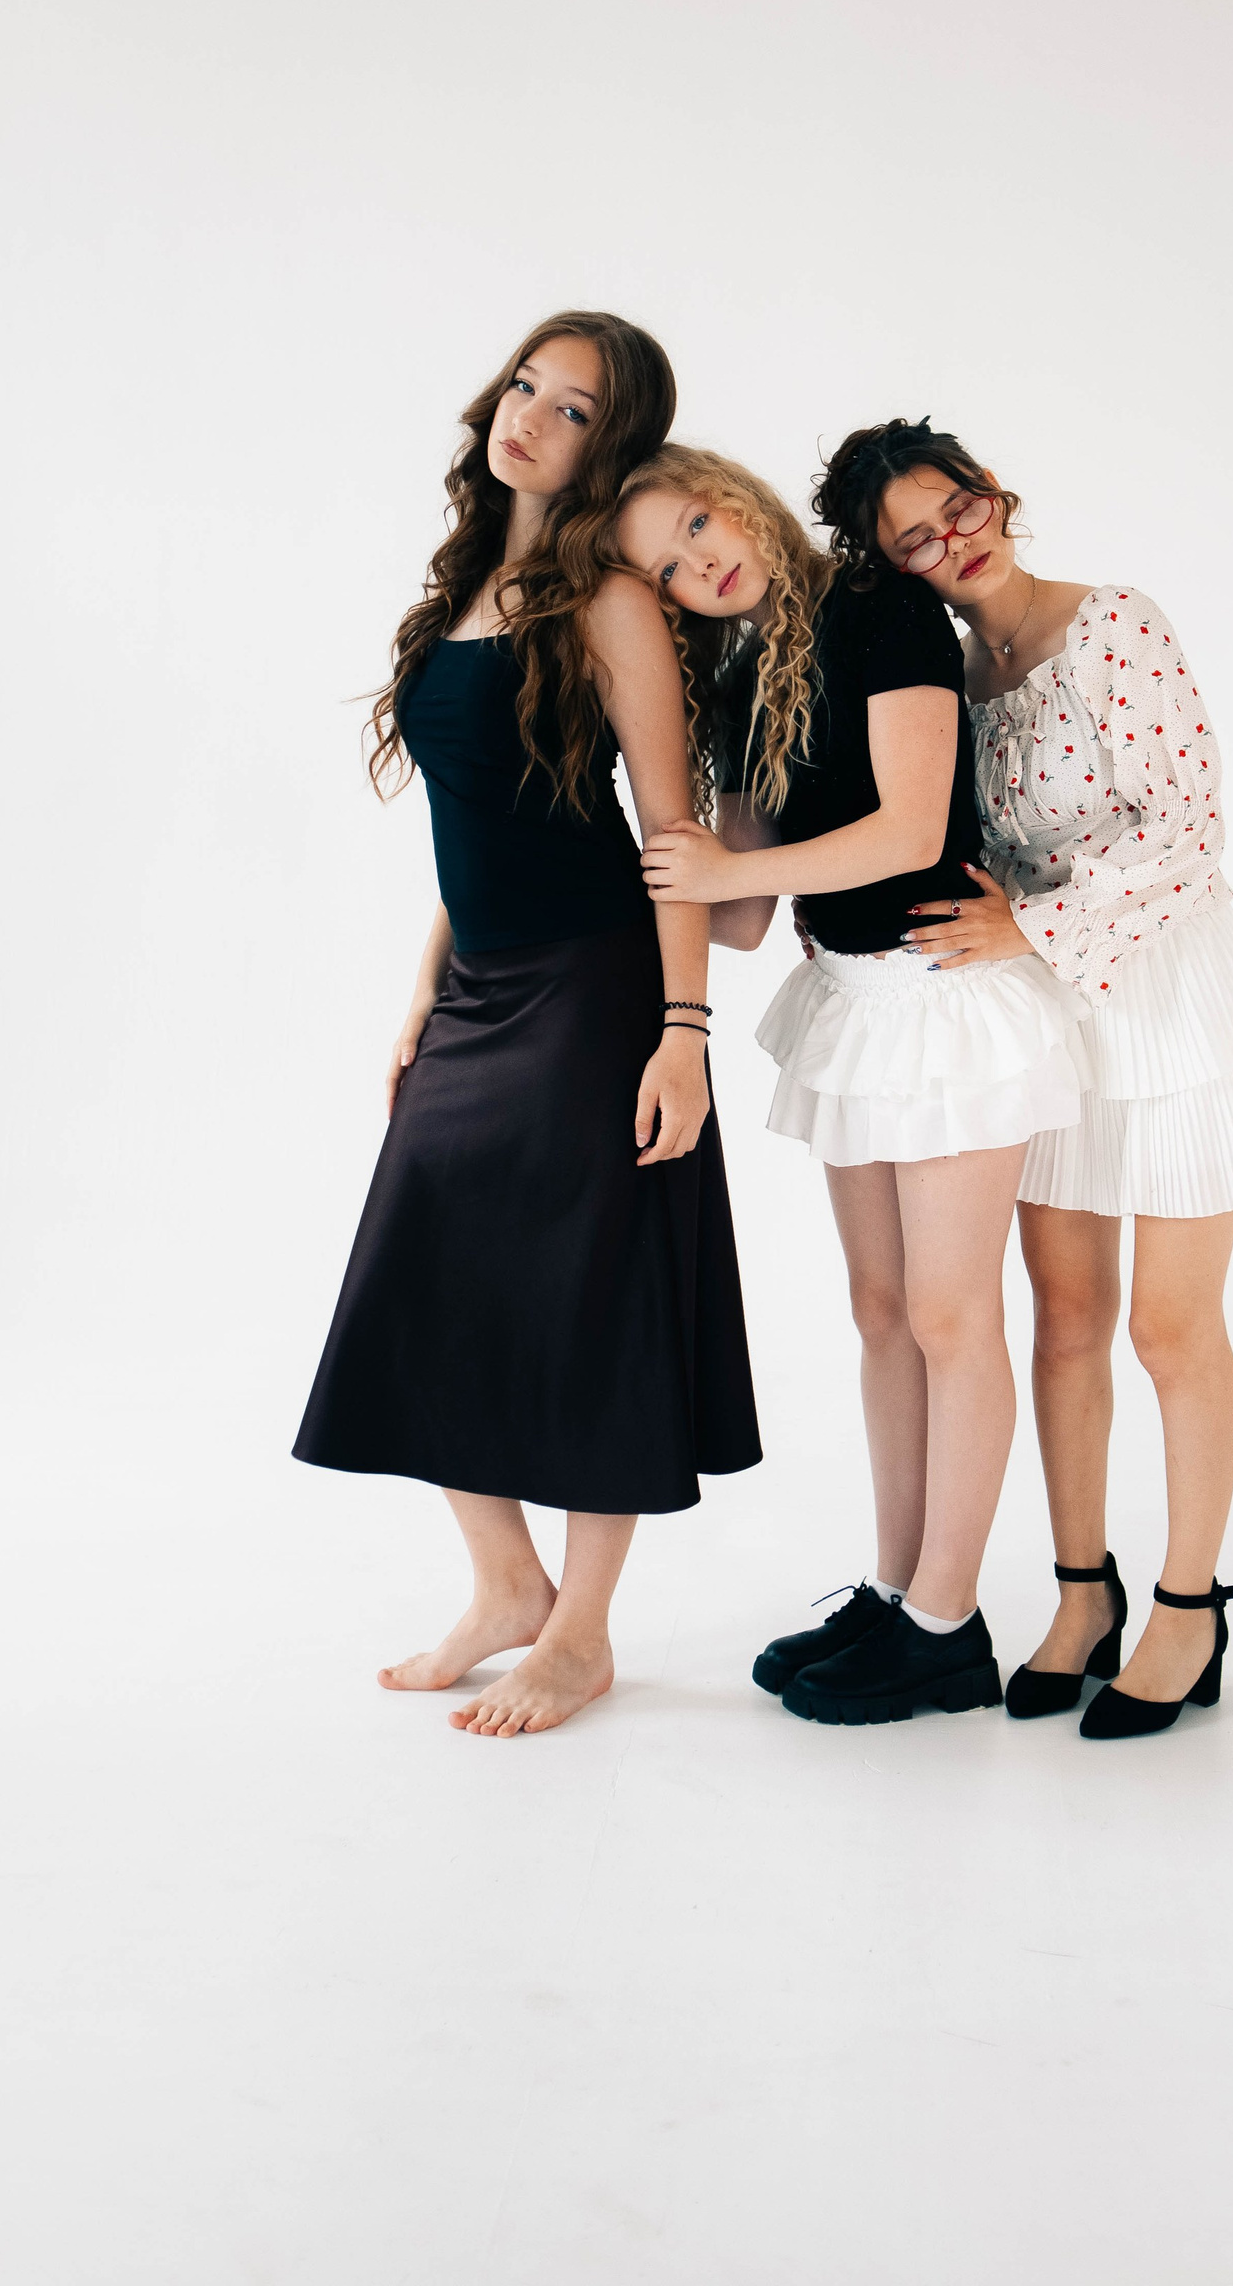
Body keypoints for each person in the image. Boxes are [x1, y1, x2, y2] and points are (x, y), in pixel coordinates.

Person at [293, 316, 760, 1738]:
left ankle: (582, 1632)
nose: (532, 419)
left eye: (573, 409)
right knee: (429, 1268)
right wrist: (425, 990)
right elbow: (476, 821)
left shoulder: (610, 602)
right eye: (525, 387)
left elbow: (669, 835)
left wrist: (684, 1030)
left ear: (609, 445)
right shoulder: (461, 591)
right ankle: (505, 1585)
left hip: (594, 986)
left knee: (591, 1299)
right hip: (482, 986)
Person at [615, 440, 1090, 1726]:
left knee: (949, 1314)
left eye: (700, 523)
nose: (703, 563)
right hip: (851, 1000)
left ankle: (947, 1623)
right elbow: (742, 914)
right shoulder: (734, 679)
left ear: (737, 497)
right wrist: (634, 854)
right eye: (670, 568)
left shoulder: (880, 608)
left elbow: (909, 827)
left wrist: (724, 871)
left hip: (946, 998)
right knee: (881, 1311)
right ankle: (896, 1594)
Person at [852, 417, 1233, 1739]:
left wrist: (1031, 925)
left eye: (960, 507)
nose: (954, 543)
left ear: (997, 494)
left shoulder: (1114, 625)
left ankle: (1188, 1607)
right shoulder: (956, 675)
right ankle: (1080, 1593)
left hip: (1169, 1001)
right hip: (1044, 1013)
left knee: (1170, 1326)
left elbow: (1190, 829)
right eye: (915, 541)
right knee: (1064, 1317)